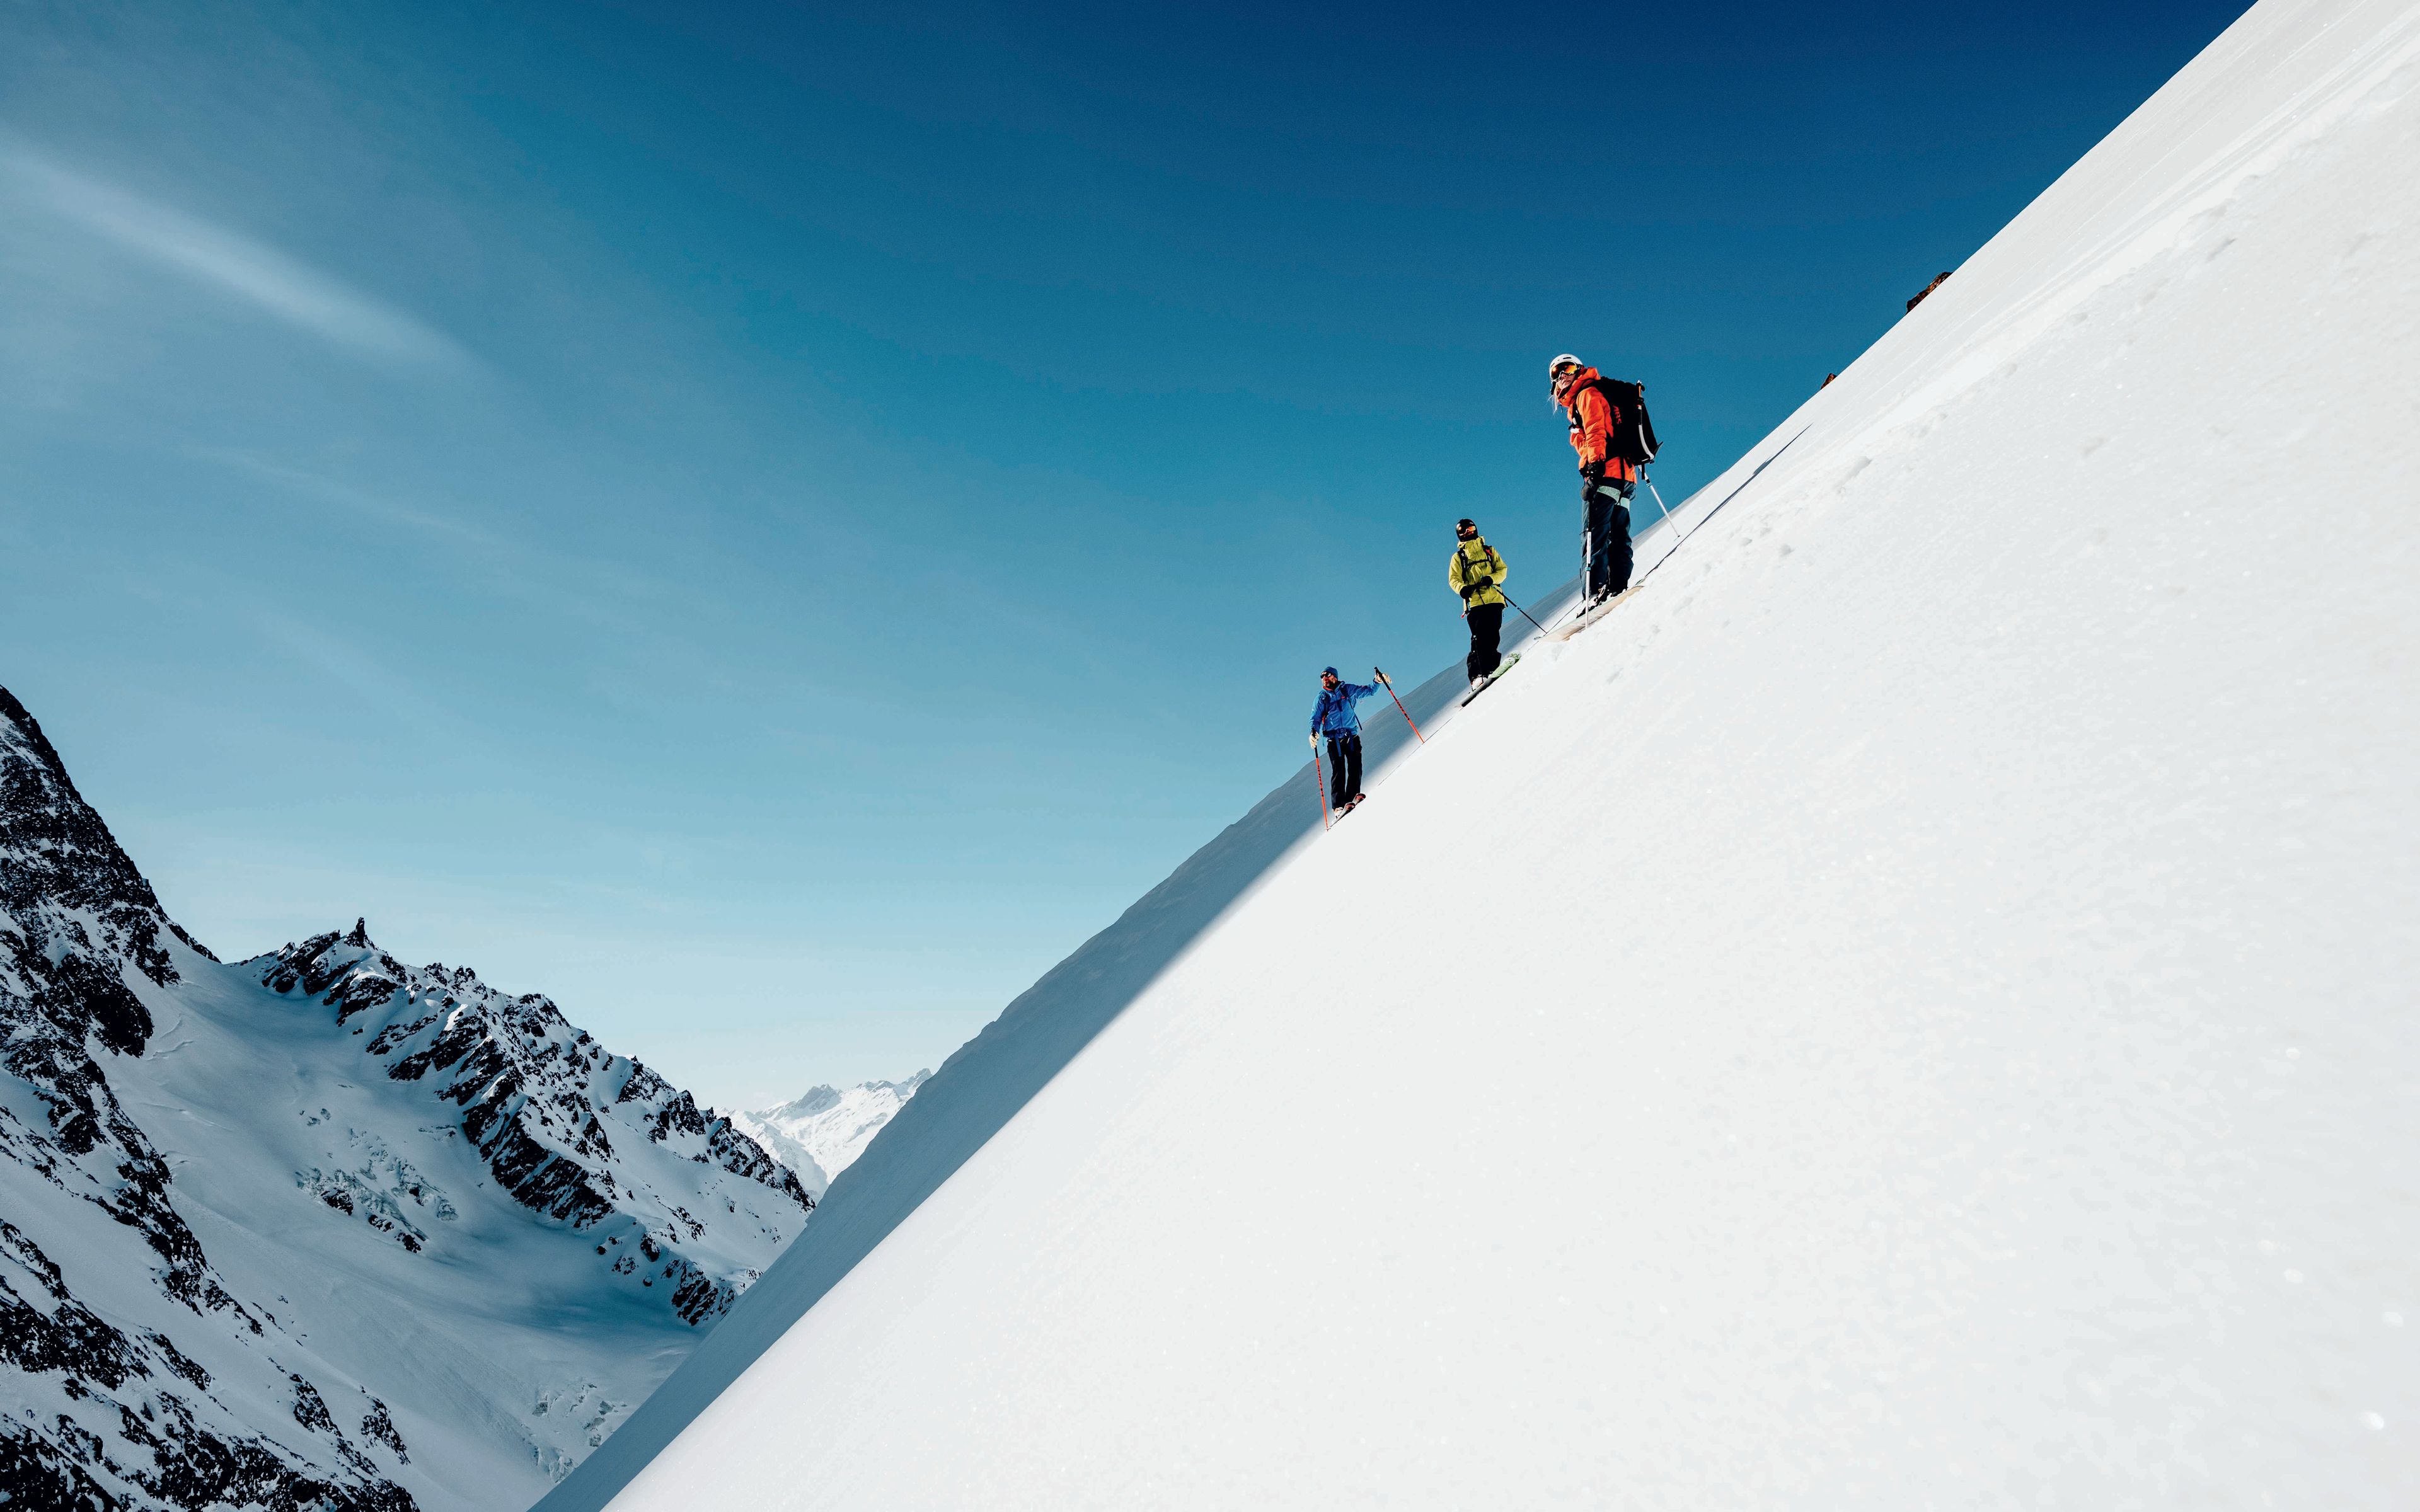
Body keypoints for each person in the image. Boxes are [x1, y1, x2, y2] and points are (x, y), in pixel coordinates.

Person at [1550, 353, 1635, 604]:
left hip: (1605, 475)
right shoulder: (1595, 393)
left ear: (1578, 369)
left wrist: (1594, 468)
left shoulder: (1586, 395)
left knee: (1593, 535)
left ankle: (1594, 593)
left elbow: (1596, 430)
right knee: (1619, 535)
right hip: (1625, 477)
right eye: (1556, 373)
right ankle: (1618, 585)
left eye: (1567, 368)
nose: (1562, 376)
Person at [1448, 518, 1509, 689]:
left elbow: (1502, 570)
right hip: (1475, 603)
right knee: (1479, 638)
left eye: (1471, 529)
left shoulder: (1489, 551)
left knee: (1493, 636)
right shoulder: (1459, 557)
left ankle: (1492, 669)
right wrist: (1462, 589)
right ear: (1459, 535)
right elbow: (1454, 579)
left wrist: (1491, 578)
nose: (1468, 533)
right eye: (1464, 531)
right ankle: (1477, 675)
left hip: (1494, 599)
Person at [1310, 667, 1380, 810]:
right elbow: (1315, 718)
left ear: (1335, 677)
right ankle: (1338, 806)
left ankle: (1352, 797)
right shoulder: (1322, 698)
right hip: (1334, 740)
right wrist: (1314, 732)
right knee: (1339, 771)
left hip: (1351, 736)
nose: (1324, 678)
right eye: (1322, 677)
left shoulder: (1347, 690)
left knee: (1356, 767)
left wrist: (1377, 681)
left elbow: (1368, 691)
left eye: (1327, 675)